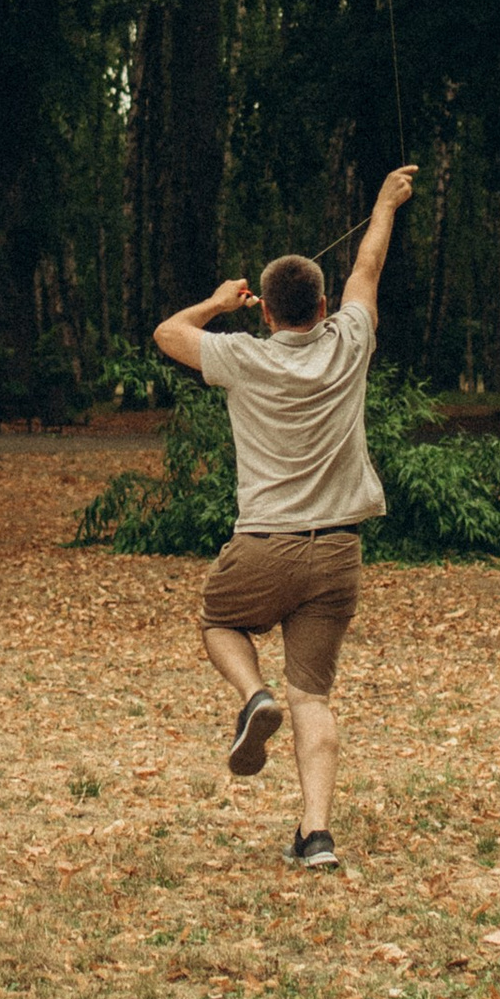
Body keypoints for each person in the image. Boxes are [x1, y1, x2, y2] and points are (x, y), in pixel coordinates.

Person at [153, 162, 416, 872]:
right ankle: (317, 835)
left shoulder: (243, 357)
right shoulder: (350, 342)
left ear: (266, 312)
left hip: (263, 544)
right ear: (325, 306)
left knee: (217, 622)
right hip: (337, 552)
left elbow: (167, 333)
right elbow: (370, 261)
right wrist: (385, 201)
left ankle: (252, 695)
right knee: (316, 694)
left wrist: (214, 303)